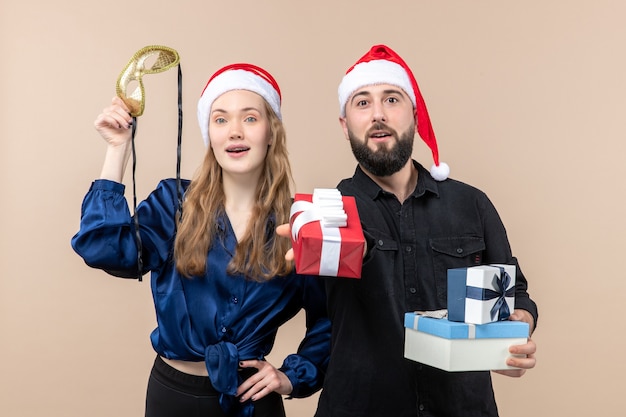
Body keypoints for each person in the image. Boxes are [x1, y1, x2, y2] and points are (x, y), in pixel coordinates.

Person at [279, 44, 538, 417]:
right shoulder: (324, 214)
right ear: (344, 124)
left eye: (392, 99)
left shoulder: (471, 204)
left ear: (415, 115)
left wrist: (516, 329)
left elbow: (517, 293)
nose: (378, 114)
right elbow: (310, 322)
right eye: (362, 103)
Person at [71, 63, 331, 417]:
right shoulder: (173, 204)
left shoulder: (301, 222)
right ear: (210, 133)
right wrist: (118, 150)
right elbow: (103, 247)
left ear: (271, 131)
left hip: (254, 404)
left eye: (250, 118)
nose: (235, 131)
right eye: (221, 119)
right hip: (172, 398)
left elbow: (330, 319)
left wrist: (291, 377)